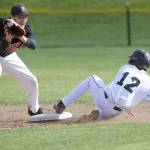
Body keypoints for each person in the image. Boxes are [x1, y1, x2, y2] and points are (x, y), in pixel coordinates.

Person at [54, 49, 150, 121]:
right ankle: (99, 115)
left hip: (104, 100)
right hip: (116, 112)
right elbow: (144, 96)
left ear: (134, 61)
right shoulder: (147, 81)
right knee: (112, 108)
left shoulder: (126, 68)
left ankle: (62, 104)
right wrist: (128, 105)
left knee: (92, 79)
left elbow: (119, 87)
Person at [0, 4, 43, 116]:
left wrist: (21, 36)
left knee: (31, 81)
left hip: (9, 56)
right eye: (19, 17)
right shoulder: (3, 26)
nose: (23, 19)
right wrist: (6, 40)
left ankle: (34, 110)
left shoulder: (26, 29)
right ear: (13, 17)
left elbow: (33, 45)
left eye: (25, 16)